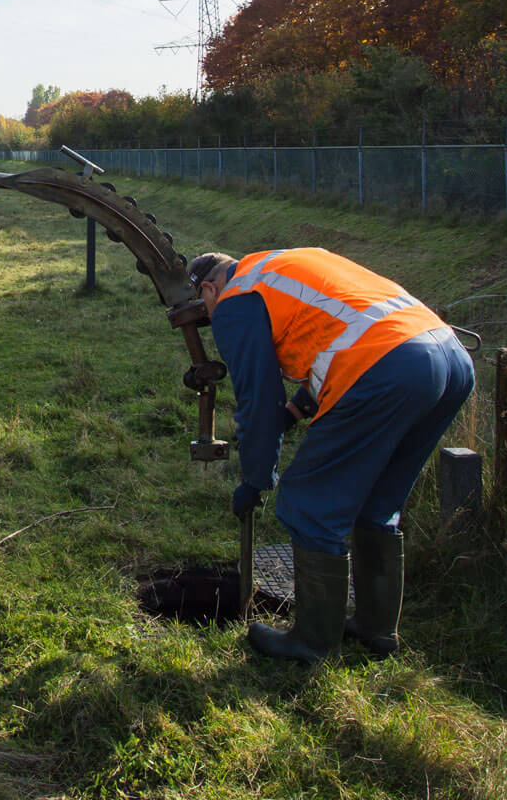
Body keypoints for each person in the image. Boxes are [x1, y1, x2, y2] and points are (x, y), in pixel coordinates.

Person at [187, 247, 474, 663]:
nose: (212, 319)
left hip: (390, 366)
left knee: (307, 501)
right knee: (377, 501)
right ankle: (377, 631)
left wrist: (256, 477)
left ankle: (311, 643)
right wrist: (296, 411)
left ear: (210, 289)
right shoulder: (281, 265)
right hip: (446, 358)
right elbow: (342, 338)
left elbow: (258, 399)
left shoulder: (236, 299)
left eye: (205, 309)